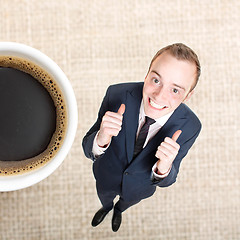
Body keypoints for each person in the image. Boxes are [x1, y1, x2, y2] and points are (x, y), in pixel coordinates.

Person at [82, 43, 201, 232]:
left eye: (175, 90)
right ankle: (106, 208)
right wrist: (102, 137)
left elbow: (168, 179)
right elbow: (87, 147)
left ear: (187, 96)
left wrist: (164, 167)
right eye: (156, 80)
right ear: (147, 74)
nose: (159, 96)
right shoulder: (117, 94)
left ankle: (119, 211)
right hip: (106, 175)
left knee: (126, 203)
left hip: (139, 188)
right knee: (104, 197)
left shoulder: (191, 126)